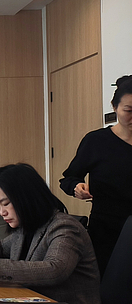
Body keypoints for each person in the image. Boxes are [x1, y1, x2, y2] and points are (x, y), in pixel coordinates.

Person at [0, 163, 100, 304]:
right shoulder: (27, 227)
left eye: (6, 204)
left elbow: (54, 270)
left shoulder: (65, 227)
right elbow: (1, 246)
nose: (2, 212)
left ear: (27, 198)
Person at [60, 75, 132, 275]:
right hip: (107, 231)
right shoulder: (96, 141)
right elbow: (68, 178)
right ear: (114, 107)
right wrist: (77, 187)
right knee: (110, 284)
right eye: (129, 111)